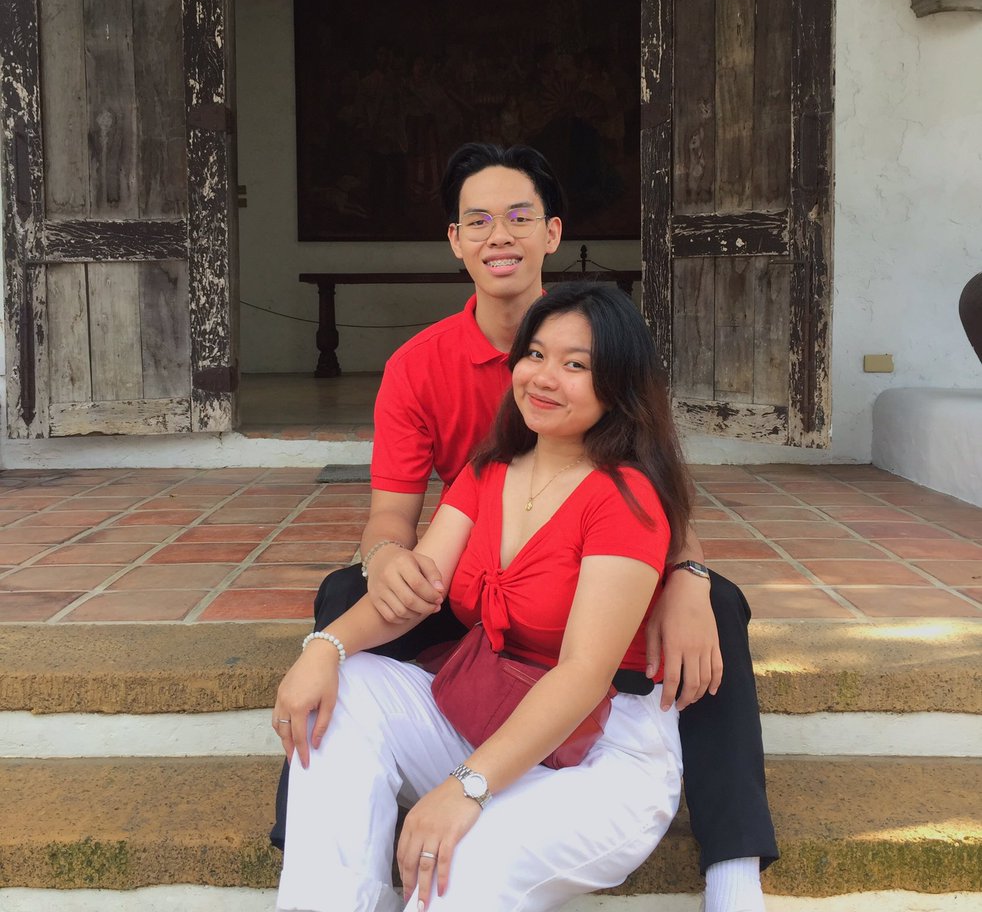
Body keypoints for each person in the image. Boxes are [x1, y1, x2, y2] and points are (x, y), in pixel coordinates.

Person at [271, 143, 778, 912]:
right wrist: (355, 603)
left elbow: (655, 489)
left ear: (552, 232)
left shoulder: (619, 424)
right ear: (455, 239)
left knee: (717, 606)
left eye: (518, 217)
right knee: (344, 610)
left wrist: (688, 575)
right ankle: (320, 867)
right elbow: (393, 520)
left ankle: (733, 867)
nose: (498, 235)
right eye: (478, 220)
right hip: (481, 602)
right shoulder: (438, 391)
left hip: (590, 662)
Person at [274, 284, 689, 910]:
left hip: (600, 755)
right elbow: (415, 593)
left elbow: (582, 674)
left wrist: (464, 787)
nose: (544, 378)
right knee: (343, 687)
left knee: (458, 857)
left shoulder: (625, 497)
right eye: (535, 355)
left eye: (576, 365)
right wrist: (323, 648)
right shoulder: (490, 469)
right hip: (485, 713)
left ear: (618, 385)